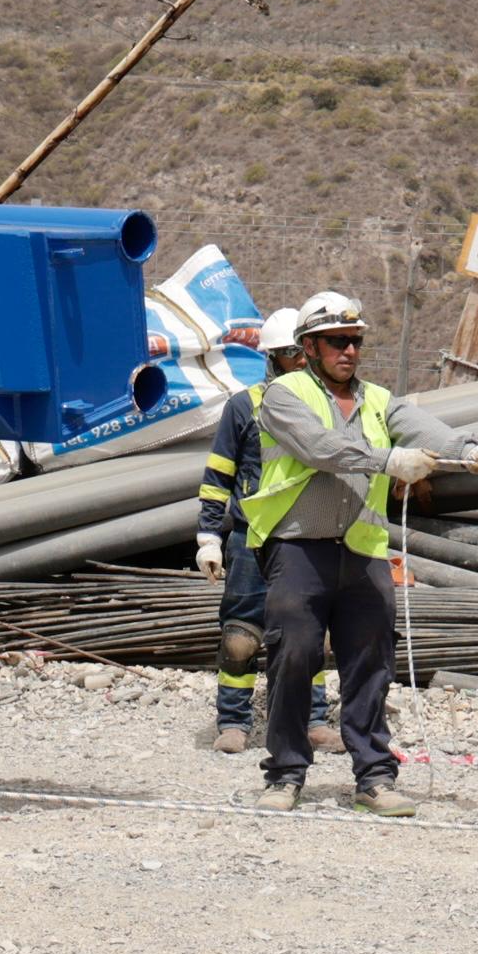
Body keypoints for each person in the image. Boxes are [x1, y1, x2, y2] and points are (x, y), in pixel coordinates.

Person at [241, 291, 478, 814]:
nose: (349, 350)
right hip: (297, 547)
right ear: (309, 347)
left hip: (363, 549)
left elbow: (427, 432)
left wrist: (470, 451)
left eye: (356, 341)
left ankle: (373, 777)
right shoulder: (282, 395)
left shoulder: (380, 401)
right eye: (337, 341)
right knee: (294, 656)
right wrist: (389, 461)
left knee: (371, 664)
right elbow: (320, 449)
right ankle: (285, 773)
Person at [194, 302, 276, 754]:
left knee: (306, 637)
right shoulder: (245, 408)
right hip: (250, 540)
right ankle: (233, 721)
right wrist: (209, 538)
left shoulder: (323, 408)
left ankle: (312, 717)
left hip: (304, 541)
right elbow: (218, 476)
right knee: (241, 637)